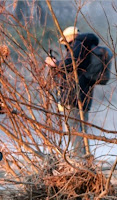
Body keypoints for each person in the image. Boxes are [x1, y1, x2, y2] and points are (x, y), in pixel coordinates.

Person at [45, 26, 100, 157]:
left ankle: (79, 158)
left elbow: (70, 64)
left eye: (65, 43)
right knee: (82, 129)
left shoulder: (78, 44)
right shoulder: (87, 46)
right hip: (84, 94)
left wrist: (55, 64)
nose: (65, 46)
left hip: (73, 95)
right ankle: (86, 158)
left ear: (69, 37)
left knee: (74, 129)